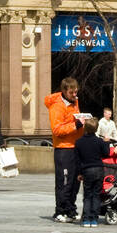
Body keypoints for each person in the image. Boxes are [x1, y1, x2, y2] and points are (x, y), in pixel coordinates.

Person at [45, 77, 84, 223]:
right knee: (64, 181)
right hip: (63, 149)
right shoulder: (57, 106)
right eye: (72, 93)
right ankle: (60, 211)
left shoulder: (75, 102)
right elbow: (57, 130)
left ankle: (70, 209)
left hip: (75, 146)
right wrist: (76, 126)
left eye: (76, 92)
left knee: (76, 181)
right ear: (64, 91)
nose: (75, 95)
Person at [75, 118, 110, 228]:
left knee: (87, 195)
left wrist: (79, 173)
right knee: (96, 195)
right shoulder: (99, 141)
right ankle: (94, 219)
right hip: (99, 169)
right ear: (96, 129)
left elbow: (77, 160)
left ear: (85, 128)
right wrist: (107, 143)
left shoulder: (79, 142)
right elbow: (106, 154)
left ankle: (86, 219)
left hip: (86, 170)